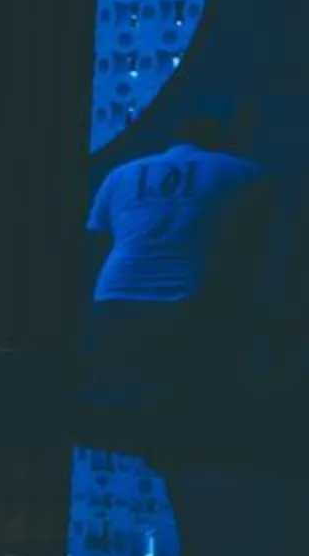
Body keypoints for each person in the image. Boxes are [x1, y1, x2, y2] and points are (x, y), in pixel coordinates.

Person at [85, 113, 266, 405]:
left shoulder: (120, 173)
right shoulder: (241, 170)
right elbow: (256, 237)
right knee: (185, 398)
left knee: (119, 396)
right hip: (187, 297)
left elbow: (98, 235)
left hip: (115, 294)